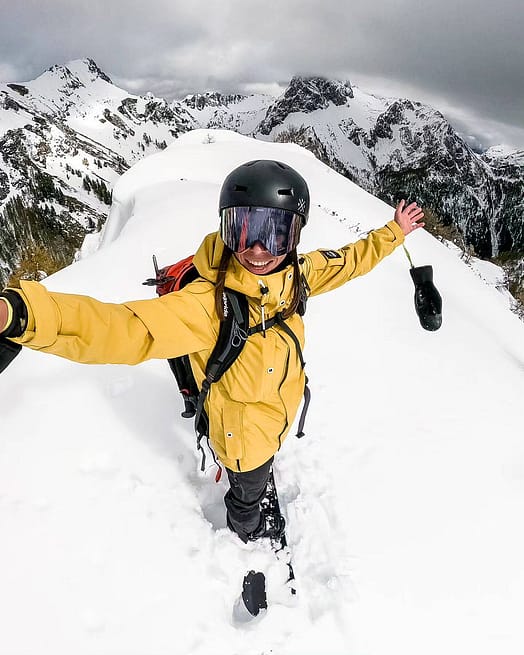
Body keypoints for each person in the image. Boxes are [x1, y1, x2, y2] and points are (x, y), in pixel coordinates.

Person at [0, 159, 424, 543]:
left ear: (294, 236)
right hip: (242, 442)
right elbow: (122, 328)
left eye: (274, 233)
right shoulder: (208, 305)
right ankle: (249, 529)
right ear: (226, 229)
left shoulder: (297, 276)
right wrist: (21, 313)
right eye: (244, 229)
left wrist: (395, 232)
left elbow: (350, 259)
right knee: (247, 493)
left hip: (273, 418)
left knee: (257, 473)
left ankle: (253, 493)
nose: (258, 249)